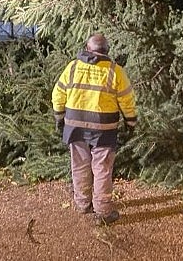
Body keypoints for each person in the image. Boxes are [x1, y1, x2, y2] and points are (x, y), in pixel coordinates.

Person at [51, 34, 137, 226]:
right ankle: (103, 211)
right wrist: (130, 122)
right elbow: (127, 99)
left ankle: (82, 204)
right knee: (102, 169)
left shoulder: (72, 67)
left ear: (87, 49)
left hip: (75, 127)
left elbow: (58, 93)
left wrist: (59, 116)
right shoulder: (115, 71)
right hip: (104, 128)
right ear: (106, 51)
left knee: (79, 165)